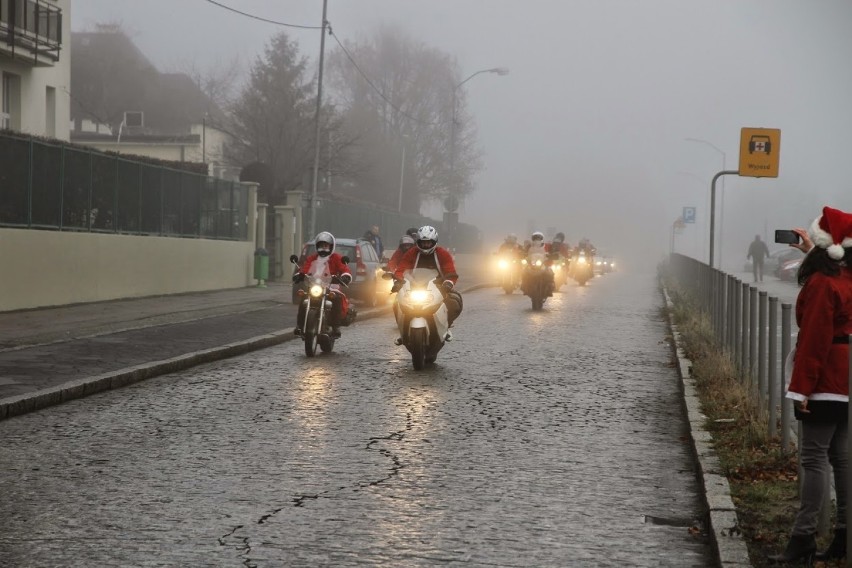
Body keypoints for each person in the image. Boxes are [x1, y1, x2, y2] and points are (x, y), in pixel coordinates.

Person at [770, 206, 852, 564]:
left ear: (825, 244)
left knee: (814, 457)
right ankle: (844, 538)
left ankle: (802, 540)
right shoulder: (845, 276)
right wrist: (810, 251)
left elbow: (815, 339)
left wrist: (801, 388)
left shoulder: (822, 284)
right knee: (841, 457)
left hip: (826, 378)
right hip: (845, 375)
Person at [392, 225, 462, 339]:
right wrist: (397, 282)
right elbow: (401, 269)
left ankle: (446, 327)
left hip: (438, 287)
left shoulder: (442, 253)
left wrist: (448, 283)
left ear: (434, 242)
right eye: (423, 243)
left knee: (454, 302)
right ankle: (403, 332)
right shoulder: (411, 253)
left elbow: (450, 271)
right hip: (413, 287)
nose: (425, 245)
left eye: (428, 243)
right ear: (418, 242)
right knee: (396, 303)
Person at [292, 231, 353, 339]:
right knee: (304, 299)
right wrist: (299, 275)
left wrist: (345, 276)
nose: (323, 248)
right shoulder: (312, 258)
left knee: (337, 299)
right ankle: (300, 326)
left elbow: (344, 268)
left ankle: (335, 327)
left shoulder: (336, 258)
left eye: (326, 245)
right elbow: (305, 268)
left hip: (331, 286)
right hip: (315, 285)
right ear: (317, 246)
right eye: (321, 245)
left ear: (331, 246)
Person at [521, 231, 554, 296]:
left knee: (550, 272)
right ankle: (524, 286)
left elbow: (552, 251)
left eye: (539, 238)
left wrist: (552, 255)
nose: (537, 239)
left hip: (543, 263)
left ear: (541, 239)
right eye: (535, 238)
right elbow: (524, 252)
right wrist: (522, 254)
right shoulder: (529, 246)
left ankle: (551, 287)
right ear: (533, 239)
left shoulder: (546, 245)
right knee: (524, 272)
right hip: (532, 264)